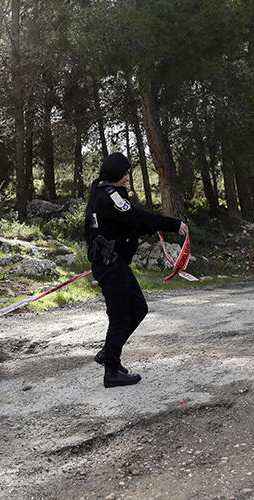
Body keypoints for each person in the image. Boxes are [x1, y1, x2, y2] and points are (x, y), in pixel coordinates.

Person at [85, 152, 187, 388]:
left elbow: (122, 224)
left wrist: (139, 231)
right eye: (127, 172)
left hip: (114, 261)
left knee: (138, 308)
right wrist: (172, 224)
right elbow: (135, 217)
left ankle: (108, 353)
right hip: (110, 264)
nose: (129, 176)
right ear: (118, 173)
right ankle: (111, 371)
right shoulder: (110, 195)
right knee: (121, 316)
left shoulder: (102, 192)